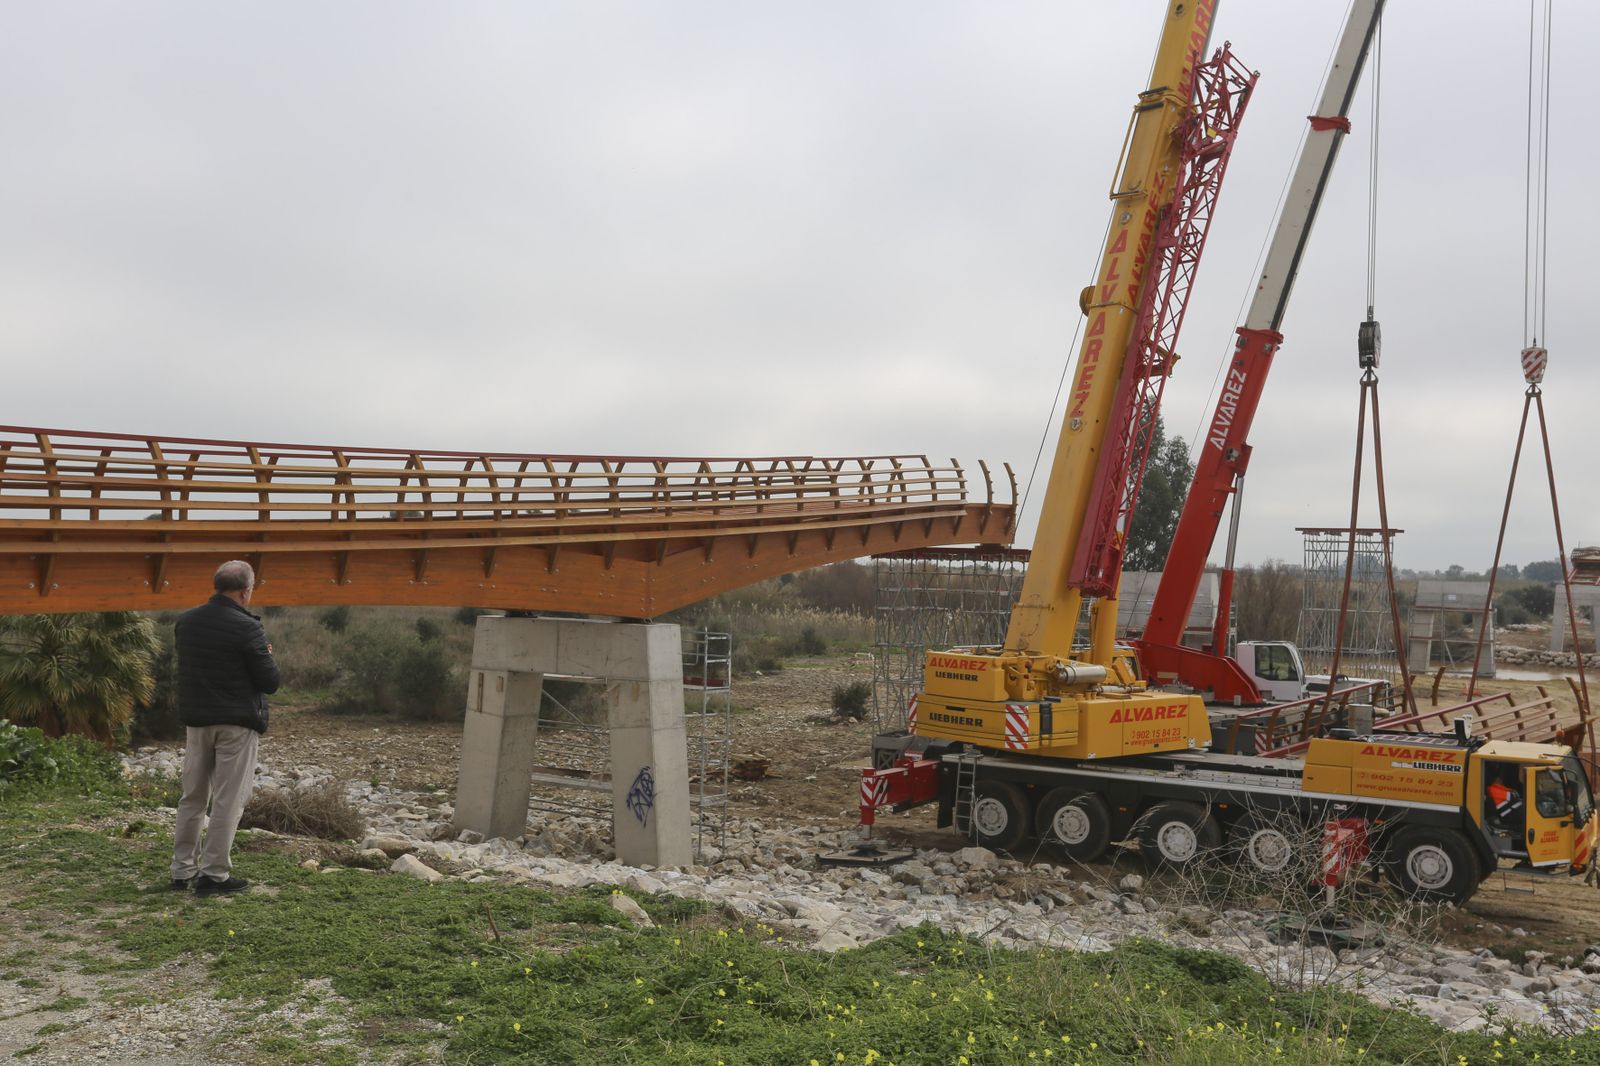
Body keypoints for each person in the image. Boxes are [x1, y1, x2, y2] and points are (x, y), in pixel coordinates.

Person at [169, 560, 280, 895]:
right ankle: (214, 874)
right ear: (245, 591)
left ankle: (181, 870)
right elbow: (270, 681)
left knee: (192, 797)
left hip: (197, 722)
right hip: (236, 723)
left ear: (216, 585)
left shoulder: (185, 622)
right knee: (228, 799)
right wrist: (267, 654)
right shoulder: (248, 628)